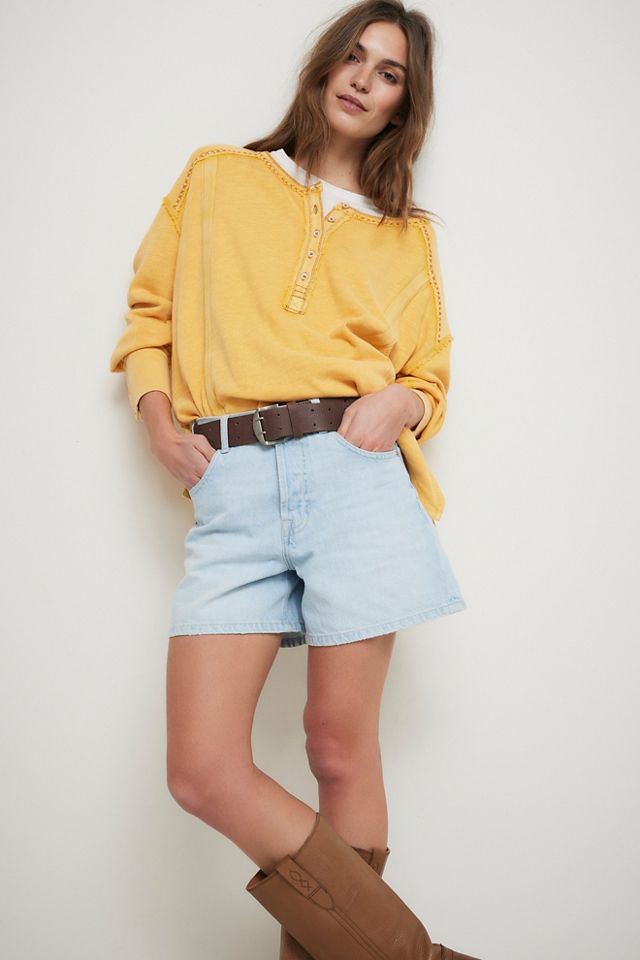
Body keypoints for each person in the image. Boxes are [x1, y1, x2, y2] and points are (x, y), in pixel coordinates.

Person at [110, 2, 480, 957]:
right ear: (323, 66)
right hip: (231, 484)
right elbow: (149, 314)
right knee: (201, 770)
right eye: (353, 57)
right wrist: (158, 420)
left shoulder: (406, 237)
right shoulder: (217, 177)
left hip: (354, 479)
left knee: (338, 748)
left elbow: (430, 373)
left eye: (390, 73)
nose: (363, 79)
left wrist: (401, 403)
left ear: (404, 105)